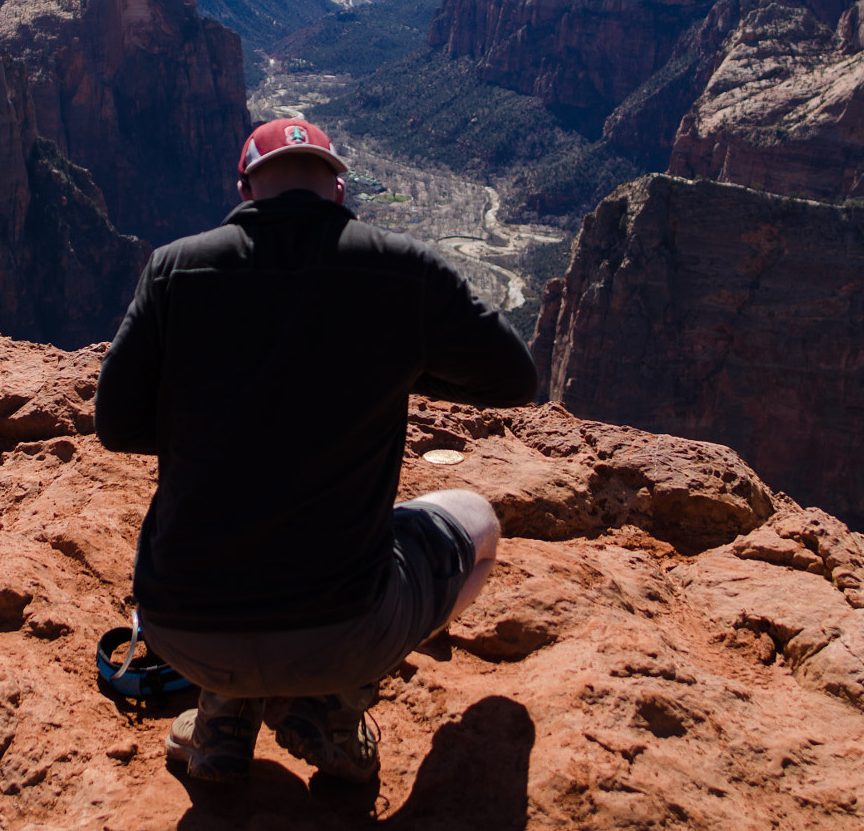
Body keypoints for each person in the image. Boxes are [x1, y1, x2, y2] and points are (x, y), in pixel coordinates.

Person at [95, 116, 537, 784]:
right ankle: (334, 705)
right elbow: (513, 379)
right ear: (337, 187)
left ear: (245, 187)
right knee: (478, 521)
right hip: (345, 633)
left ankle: (224, 713)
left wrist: (225, 421)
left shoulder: (174, 269)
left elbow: (117, 424)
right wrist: (392, 374)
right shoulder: (399, 269)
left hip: (184, 630)